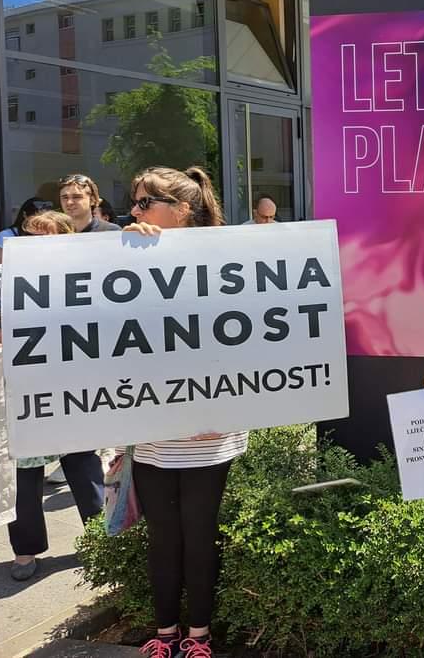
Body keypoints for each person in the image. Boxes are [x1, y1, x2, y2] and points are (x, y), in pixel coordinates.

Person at [124, 165, 246, 658]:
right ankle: (164, 633)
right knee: (161, 538)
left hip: (208, 433)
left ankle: (199, 636)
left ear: (179, 210)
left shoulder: (224, 258)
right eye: (134, 201)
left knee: (198, 536)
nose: (134, 211)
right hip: (154, 433)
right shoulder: (125, 254)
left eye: (144, 203)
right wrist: (123, 250)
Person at [0, 210, 106, 581]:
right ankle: (25, 551)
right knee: (23, 472)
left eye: (46, 236)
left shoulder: (83, 276)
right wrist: (29, 342)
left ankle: (104, 542)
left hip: (71, 386)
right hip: (22, 387)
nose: (35, 243)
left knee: (83, 464)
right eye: (30, 236)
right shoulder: (3, 276)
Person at [0, 198, 53, 265]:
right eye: (36, 220)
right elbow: (0, 265)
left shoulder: (52, 234)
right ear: (25, 214)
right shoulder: (6, 235)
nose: (40, 224)